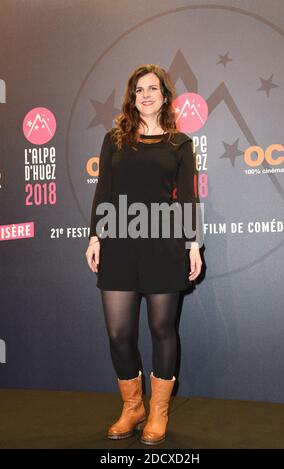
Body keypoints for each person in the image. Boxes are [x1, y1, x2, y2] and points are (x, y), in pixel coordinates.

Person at [85, 64, 202, 445]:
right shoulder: (113, 140)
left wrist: (193, 245)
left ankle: (158, 411)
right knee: (119, 333)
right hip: (118, 242)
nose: (146, 95)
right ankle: (133, 406)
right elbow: (103, 190)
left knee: (162, 329)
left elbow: (187, 198)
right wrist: (94, 237)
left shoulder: (180, 144)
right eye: (139, 90)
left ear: (165, 96)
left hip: (163, 245)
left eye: (153, 88)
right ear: (132, 97)